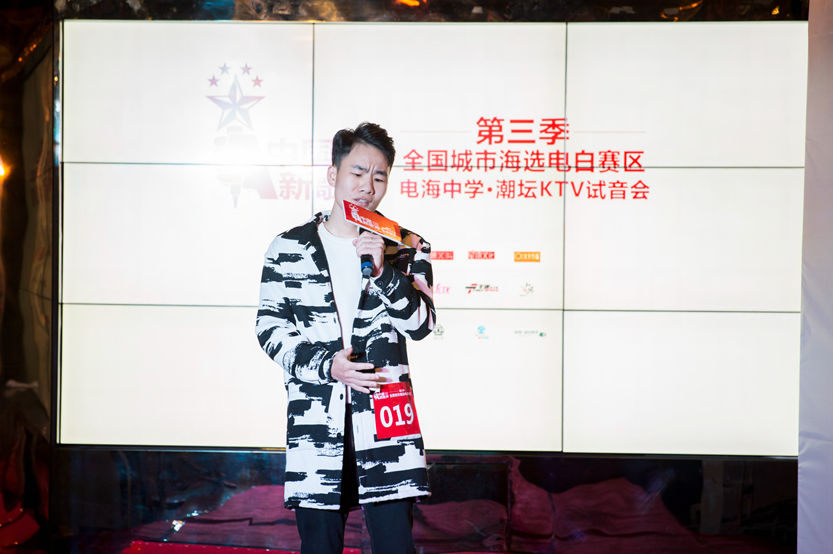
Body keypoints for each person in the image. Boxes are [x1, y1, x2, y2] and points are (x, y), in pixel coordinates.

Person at [255, 122, 435, 554]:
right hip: (317, 422)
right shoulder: (289, 248)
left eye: (379, 177)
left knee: (395, 545)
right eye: (357, 172)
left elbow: (421, 325)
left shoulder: (407, 246)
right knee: (320, 545)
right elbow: (269, 328)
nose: (367, 187)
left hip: (387, 424)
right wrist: (327, 365)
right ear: (333, 173)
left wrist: (386, 272)